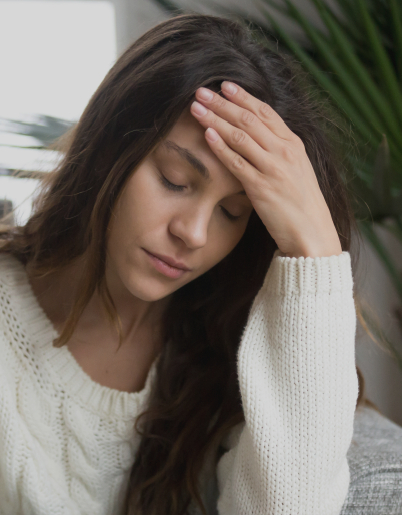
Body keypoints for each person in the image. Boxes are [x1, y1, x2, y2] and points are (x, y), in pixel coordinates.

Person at [0, 12, 365, 515]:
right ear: (109, 147)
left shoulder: (229, 351)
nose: (192, 234)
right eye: (174, 179)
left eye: (232, 213)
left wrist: (316, 251)